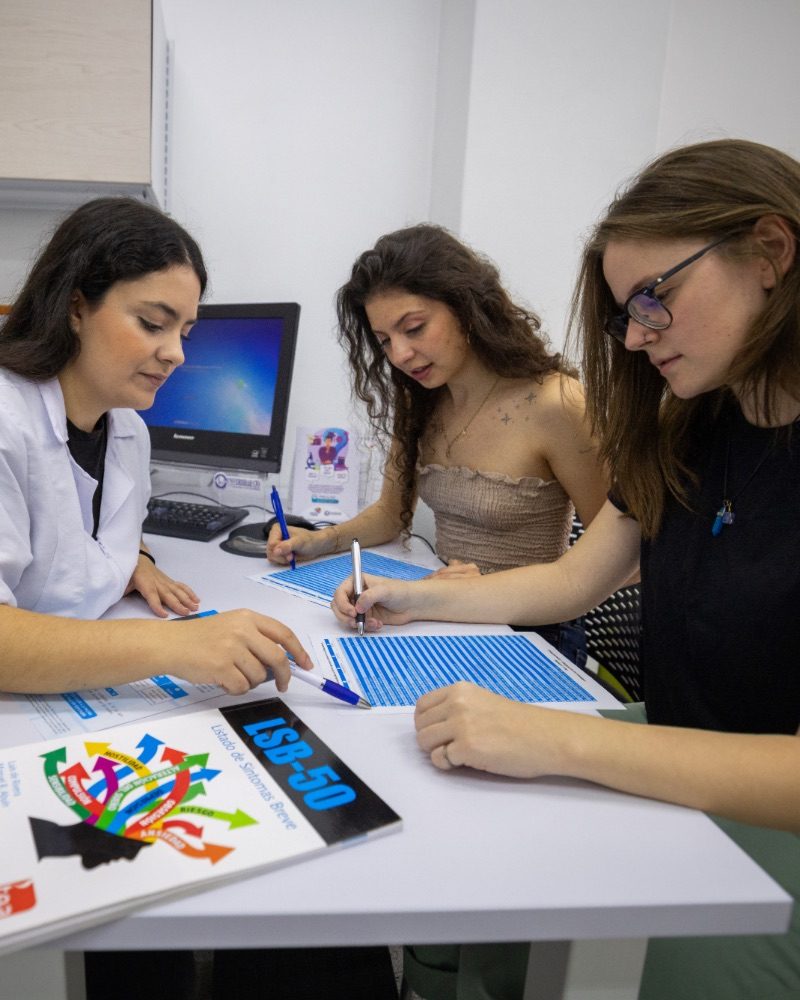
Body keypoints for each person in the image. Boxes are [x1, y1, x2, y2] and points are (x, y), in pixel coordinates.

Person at [331, 139, 800, 999]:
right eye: (628, 312)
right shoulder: (689, 424)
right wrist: (412, 593)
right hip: (676, 741)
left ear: (772, 252)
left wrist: (558, 737)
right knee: (457, 809)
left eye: (658, 297)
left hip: (767, 801)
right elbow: (576, 578)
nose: (639, 333)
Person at [0, 196, 313, 697]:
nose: (177, 354)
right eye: (153, 323)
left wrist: (133, 561)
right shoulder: (7, 419)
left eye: (185, 332)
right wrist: (176, 646)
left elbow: (95, 530)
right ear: (76, 306)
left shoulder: (127, 430)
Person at [269, 224, 612, 661]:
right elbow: (391, 517)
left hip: (530, 632)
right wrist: (318, 541)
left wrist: (481, 590)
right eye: (384, 341)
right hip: (448, 611)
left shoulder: (557, 404)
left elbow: (623, 560)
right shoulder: (421, 402)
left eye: (413, 328)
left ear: (466, 307)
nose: (399, 355)